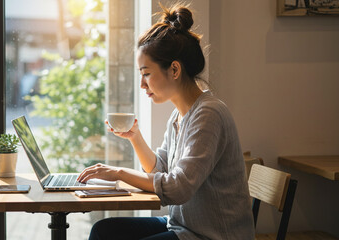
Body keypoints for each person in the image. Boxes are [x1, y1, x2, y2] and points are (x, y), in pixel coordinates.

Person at [77, 3, 255, 240]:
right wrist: (135, 137)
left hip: (212, 235)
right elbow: (160, 169)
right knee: (104, 231)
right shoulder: (180, 115)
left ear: (174, 69)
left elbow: (178, 188)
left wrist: (118, 173)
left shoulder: (209, 115)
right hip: (183, 226)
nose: (142, 84)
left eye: (146, 73)